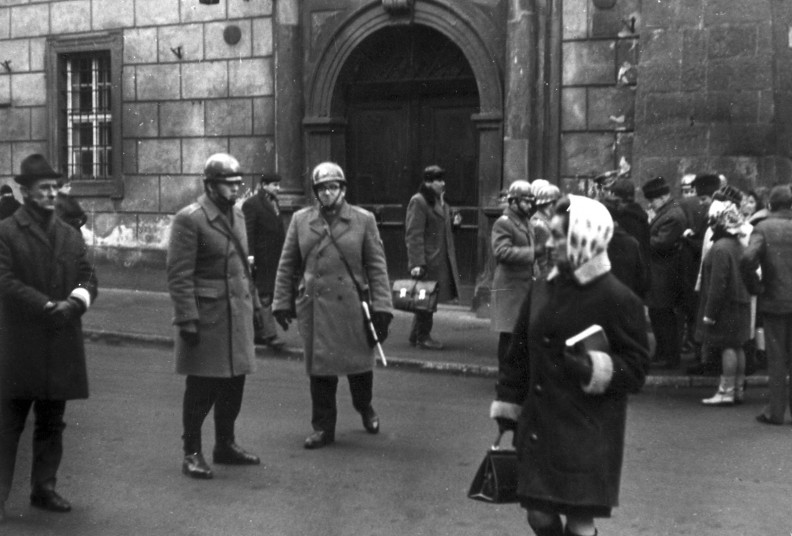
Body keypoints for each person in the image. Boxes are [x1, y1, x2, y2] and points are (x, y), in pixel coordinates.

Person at [490, 195, 649, 536]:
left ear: (586, 237)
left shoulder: (618, 298)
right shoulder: (542, 288)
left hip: (587, 432)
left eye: (561, 235)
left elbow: (636, 369)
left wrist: (594, 367)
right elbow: (518, 350)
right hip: (540, 425)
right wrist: (508, 401)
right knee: (538, 515)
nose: (551, 242)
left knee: (579, 524)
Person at [0, 154, 98, 520]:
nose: (52, 194)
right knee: (9, 424)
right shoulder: (7, 231)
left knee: (52, 421)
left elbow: (89, 276)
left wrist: (75, 303)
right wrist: (45, 305)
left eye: (55, 188)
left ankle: (45, 487)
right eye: (44, 188)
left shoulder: (69, 234)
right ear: (26, 192)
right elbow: (4, 281)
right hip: (20, 343)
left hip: (60, 339)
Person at [272, 162, 393, 449]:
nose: (327, 193)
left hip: (351, 305)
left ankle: (365, 407)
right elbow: (287, 263)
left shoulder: (363, 220)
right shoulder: (301, 220)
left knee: (359, 368)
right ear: (315, 192)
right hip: (315, 306)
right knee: (321, 371)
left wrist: (383, 309)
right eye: (322, 189)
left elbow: (377, 267)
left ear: (343, 189)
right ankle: (323, 428)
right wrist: (281, 302)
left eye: (333, 187)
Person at [166, 153, 262, 480]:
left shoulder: (238, 216)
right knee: (202, 389)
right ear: (210, 185)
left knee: (234, 384)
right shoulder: (189, 219)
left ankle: (225, 444)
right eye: (229, 183)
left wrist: (257, 310)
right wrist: (187, 320)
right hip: (206, 318)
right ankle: (191, 452)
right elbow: (179, 276)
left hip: (237, 314)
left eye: (239, 183)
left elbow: (243, 269)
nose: (236, 189)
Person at [740, 184, 792, 425]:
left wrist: (756, 286)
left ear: (770, 205)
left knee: (777, 358)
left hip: (774, 299)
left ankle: (776, 411)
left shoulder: (763, 228)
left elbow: (748, 258)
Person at [697, 186, 752, 405]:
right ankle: (736, 389)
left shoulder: (720, 248)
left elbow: (717, 284)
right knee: (738, 347)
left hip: (726, 306)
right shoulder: (737, 245)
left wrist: (709, 314)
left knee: (727, 347)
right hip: (741, 303)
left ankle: (726, 391)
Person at [404, 165, 461, 350]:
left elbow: (442, 227)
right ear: (428, 182)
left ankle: (416, 335)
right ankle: (423, 337)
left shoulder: (440, 201)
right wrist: (417, 263)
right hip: (427, 260)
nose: (443, 183)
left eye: (443, 180)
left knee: (426, 298)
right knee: (426, 299)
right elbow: (414, 234)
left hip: (439, 259)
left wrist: (454, 222)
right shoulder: (419, 201)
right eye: (439, 180)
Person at [642, 176, 687, 369]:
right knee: (658, 314)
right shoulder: (667, 212)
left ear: (663, 197)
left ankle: (670, 356)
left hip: (665, 274)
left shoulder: (673, 215)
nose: (651, 204)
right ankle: (663, 352)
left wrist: (642, 235)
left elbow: (660, 244)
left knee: (664, 315)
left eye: (652, 200)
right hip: (659, 272)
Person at [490, 180, 535, 368]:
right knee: (509, 335)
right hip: (509, 287)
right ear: (513, 202)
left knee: (518, 334)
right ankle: (504, 376)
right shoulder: (504, 223)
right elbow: (501, 251)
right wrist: (532, 253)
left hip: (521, 287)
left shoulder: (525, 222)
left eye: (530, 201)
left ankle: (513, 376)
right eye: (525, 201)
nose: (529, 205)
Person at [242, 172, 286, 349]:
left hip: (273, 257)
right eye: (275, 185)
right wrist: (250, 256)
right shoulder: (252, 204)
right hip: (261, 258)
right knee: (265, 296)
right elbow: (248, 232)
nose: (278, 188)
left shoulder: (274, 202)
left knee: (263, 295)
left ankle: (258, 333)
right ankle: (270, 335)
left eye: (278, 185)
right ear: (264, 185)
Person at [529, 179, 561, 278]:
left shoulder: (546, 220)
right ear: (551, 205)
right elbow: (542, 259)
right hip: (543, 274)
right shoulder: (539, 224)